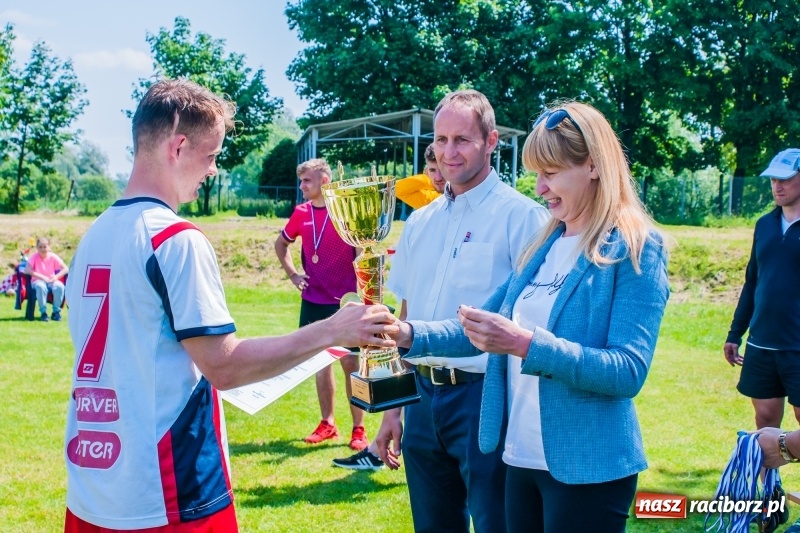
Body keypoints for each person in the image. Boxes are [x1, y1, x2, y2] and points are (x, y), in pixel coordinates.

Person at [63, 78, 398, 533]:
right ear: (178, 147)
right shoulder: (174, 238)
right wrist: (332, 330)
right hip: (165, 490)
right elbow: (225, 367)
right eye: (212, 155)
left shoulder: (93, 236)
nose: (213, 170)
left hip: (93, 484)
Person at [392, 101, 670, 533]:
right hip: (519, 458)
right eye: (536, 174)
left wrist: (524, 344)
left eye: (551, 173)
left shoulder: (635, 248)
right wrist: (405, 333)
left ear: (594, 166)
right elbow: (481, 326)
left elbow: (627, 371)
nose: (540, 188)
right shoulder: (547, 240)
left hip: (584, 465)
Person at [341, 90, 549, 532]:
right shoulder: (420, 221)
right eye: (440, 140)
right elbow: (405, 314)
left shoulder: (522, 218)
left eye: (462, 140)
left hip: (485, 397)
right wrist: (394, 409)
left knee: (498, 523)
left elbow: (532, 321)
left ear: (491, 141)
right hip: (421, 399)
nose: (448, 152)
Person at [274, 158, 369, 450]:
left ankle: (359, 429)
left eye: (307, 181)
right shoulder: (300, 213)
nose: (302, 186)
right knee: (319, 362)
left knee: (351, 363)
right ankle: (328, 423)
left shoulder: (344, 211)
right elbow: (281, 245)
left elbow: (362, 252)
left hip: (345, 302)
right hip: (313, 299)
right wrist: (293, 275)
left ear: (324, 182)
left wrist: (364, 291)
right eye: (301, 181)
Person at [724, 148, 800, 432]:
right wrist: (735, 333)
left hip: (798, 345)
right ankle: (771, 479)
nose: (777, 186)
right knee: (765, 422)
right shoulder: (764, 225)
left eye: (785, 179)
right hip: (762, 343)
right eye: (773, 180)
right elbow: (752, 282)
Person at [25, 237, 68, 321]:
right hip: (37, 280)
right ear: (37, 248)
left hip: (51, 280)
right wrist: (42, 277)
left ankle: (56, 312)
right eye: (40, 247)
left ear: (48, 247)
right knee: (41, 287)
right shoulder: (34, 257)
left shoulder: (53, 257)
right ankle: (43, 312)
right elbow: (27, 270)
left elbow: (65, 269)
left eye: (44, 247)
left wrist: (56, 277)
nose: (42, 249)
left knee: (60, 287)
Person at [394, 143, 446, 209]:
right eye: (432, 170)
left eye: (442, 169)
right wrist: (427, 179)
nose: (438, 178)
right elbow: (396, 189)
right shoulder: (432, 200)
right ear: (427, 172)